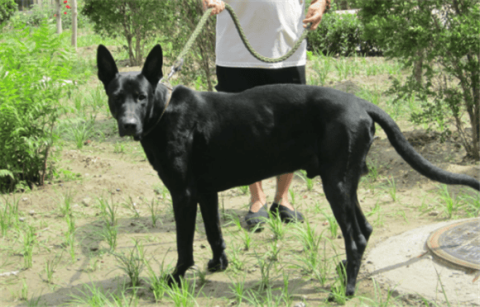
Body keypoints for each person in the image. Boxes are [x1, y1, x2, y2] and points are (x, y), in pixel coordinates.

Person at [203, 0, 330, 228]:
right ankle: (257, 199)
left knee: (293, 128)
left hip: (287, 49)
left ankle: (283, 198)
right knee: (243, 130)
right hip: (236, 55)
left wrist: (321, 4)